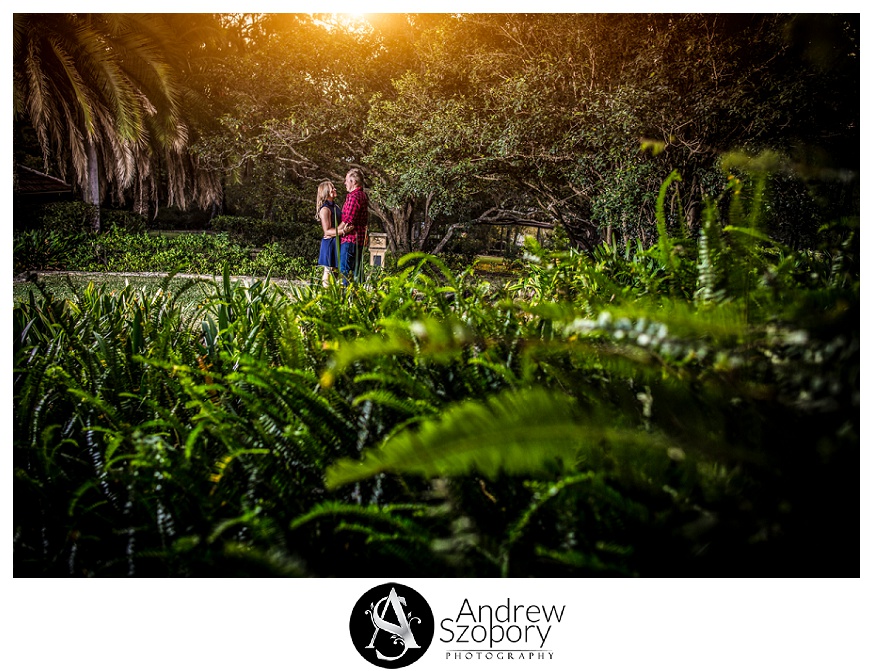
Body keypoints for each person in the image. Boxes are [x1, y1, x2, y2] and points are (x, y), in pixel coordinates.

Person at [337, 167, 369, 285]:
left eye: (347, 180)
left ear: (353, 181)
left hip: (350, 239)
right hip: (359, 239)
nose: (345, 183)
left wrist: (334, 232)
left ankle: (345, 298)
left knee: (344, 271)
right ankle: (358, 298)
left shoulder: (353, 197)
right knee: (357, 272)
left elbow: (348, 220)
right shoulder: (363, 196)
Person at [315, 180, 342, 287]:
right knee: (328, 270)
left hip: (337, 241)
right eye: (332, 188)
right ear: (326, 191)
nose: (335, 189)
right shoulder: (325, 209)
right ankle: (325, 295)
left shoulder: (336, 206)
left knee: (335, 271)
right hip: (330, 243)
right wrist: (344, 230)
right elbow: (327, 231)